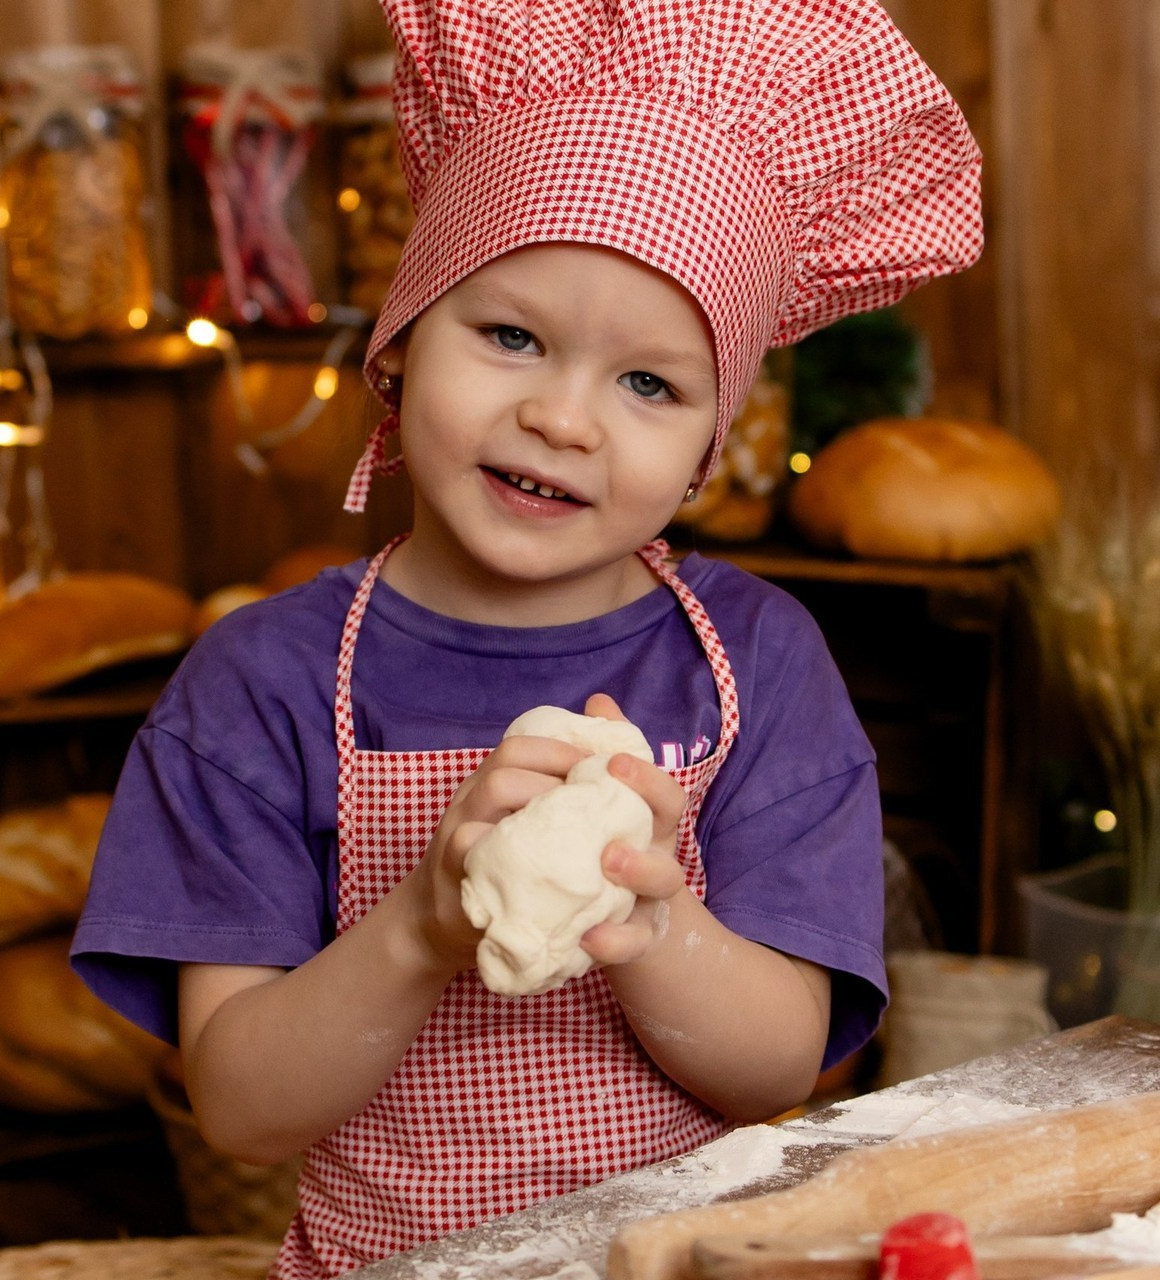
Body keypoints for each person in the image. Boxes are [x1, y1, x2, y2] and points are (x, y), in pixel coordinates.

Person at [72, 1, 983, 1275]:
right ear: (400, 340)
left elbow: (779, 1070)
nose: (562, 417)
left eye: (648, 382)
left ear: (709, 445)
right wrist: (423, 923)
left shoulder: (757, 662)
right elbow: (239, 1106)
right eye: (509, 335)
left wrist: (655, 926)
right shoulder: (261, 682)